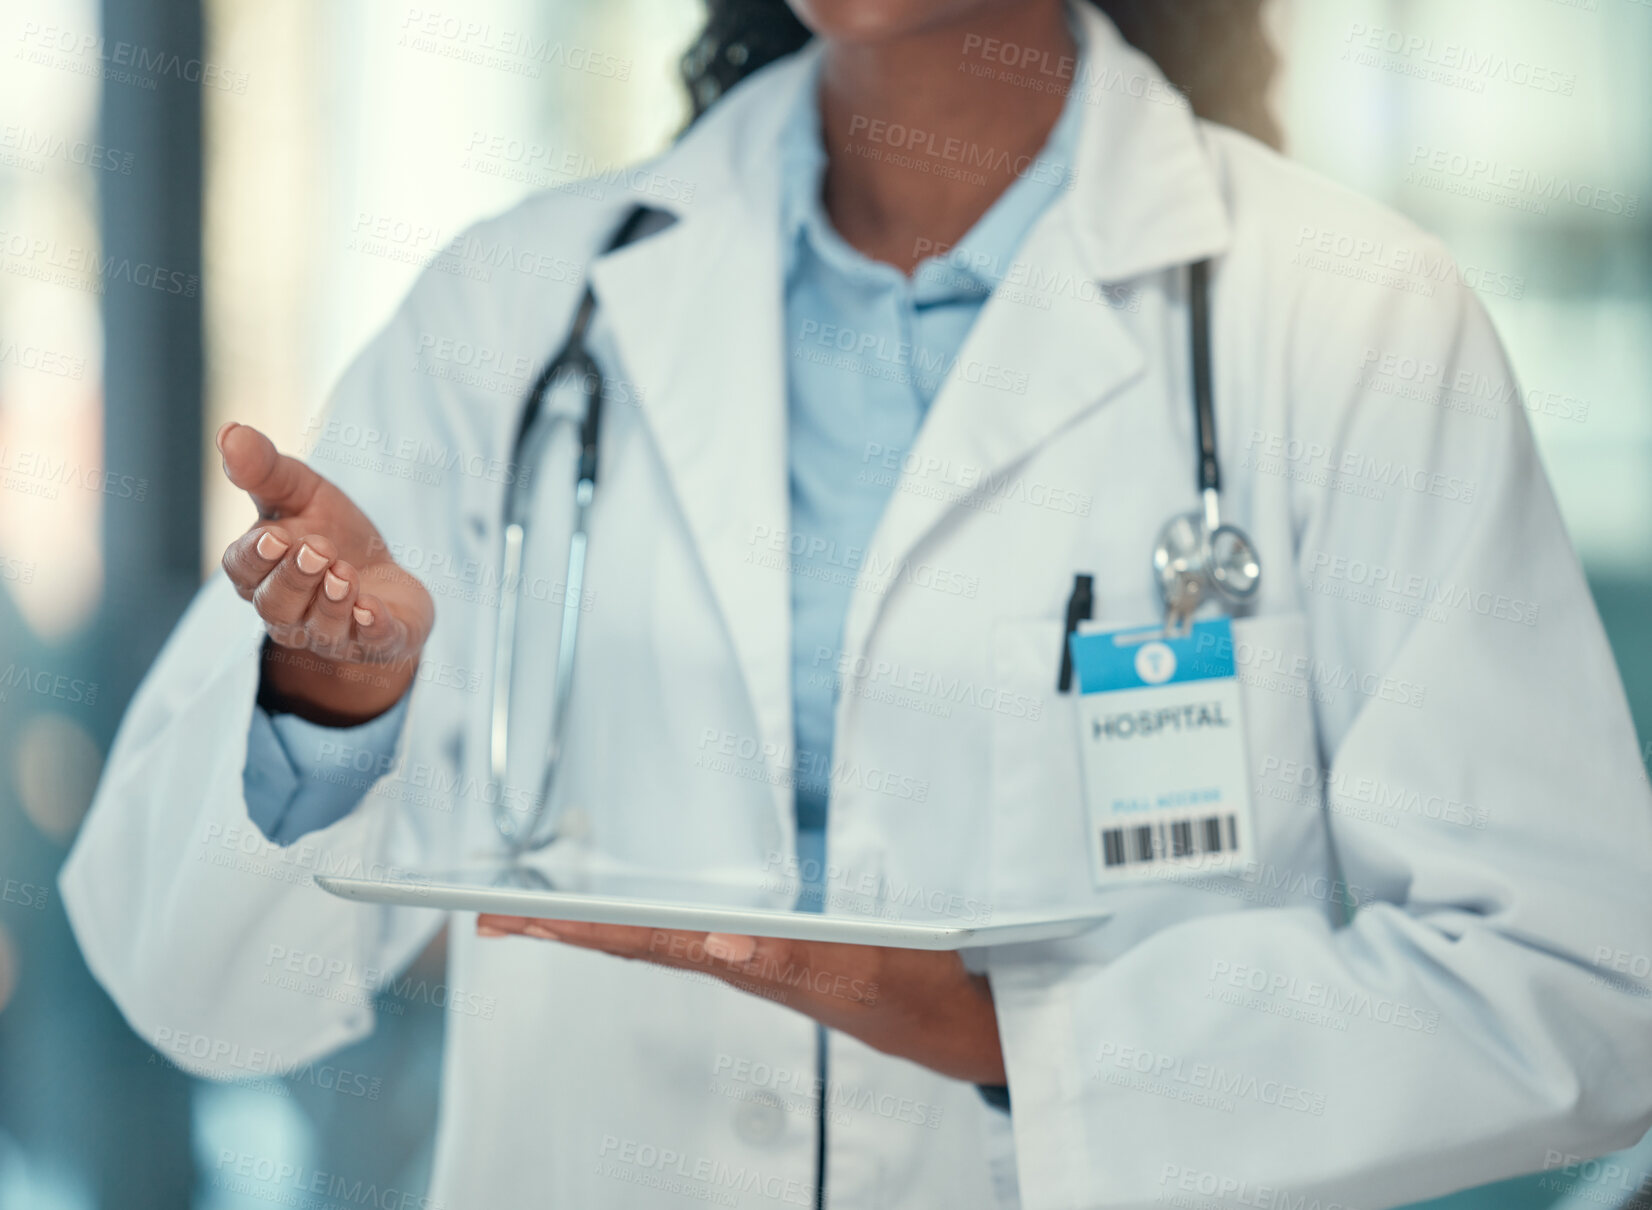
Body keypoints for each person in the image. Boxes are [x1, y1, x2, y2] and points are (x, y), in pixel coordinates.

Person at [62, 1, 1652, 1207]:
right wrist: (336, 709)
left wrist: (1022, 1036)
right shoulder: (516, 309)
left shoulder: (1349, 324)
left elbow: (1580, 986)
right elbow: (183, 969)